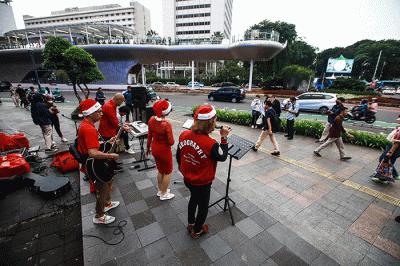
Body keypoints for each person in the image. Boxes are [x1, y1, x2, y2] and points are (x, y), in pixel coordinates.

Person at [176, 105, 230, 238]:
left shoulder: (184, 134)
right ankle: (197, 230)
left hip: (187, 178)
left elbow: (179, 154)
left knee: (193, 199)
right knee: (203, 206)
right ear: (211, 123)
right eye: (215, 119)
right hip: (202, 182)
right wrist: (224, 138)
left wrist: (181, 165)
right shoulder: (211, 144)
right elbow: (222, 156)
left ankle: (190, 223)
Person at [77, 99, 120, 224]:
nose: (102, 114)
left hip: (92, 161)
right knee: (102, 189)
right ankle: (99, 215)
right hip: (93, 164)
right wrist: (111, 155)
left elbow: (92, 145)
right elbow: (93, 153)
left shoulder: (87, 125)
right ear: (90, 113)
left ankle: (107, 204)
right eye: (99, 112)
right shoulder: (89, 129)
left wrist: (107, 143)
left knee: (107, 182)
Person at [146, 100, 175, 200]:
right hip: (164, 150)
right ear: (167, 112)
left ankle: (160, 190)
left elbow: (149, 136)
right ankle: (164, 194)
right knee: (168, 172)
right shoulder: (167, 124)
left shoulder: (151, 120)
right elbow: (171, 142)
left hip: (155, 148)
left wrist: (147, 148)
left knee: (160, 170)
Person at [98, 93, 128, 172]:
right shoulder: (109, 106)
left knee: (112, 148)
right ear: (117, 100)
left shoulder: (111, 105)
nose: (121, 104)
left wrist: (122, 126)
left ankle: (113, 163)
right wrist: (123, 128)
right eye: (121, 101)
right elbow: (114, 121)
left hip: (110, 130)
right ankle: (111, 167)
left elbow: (114, 120)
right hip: (107, 131)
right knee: (109, 149)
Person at [372, 114, 400, 184]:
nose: (397, 119)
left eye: (399, 118)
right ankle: (395, 175)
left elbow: (397, 143)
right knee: (388, 161)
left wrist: (391, 152)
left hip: (394, 148)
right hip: (393, 147)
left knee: (384, 160)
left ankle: (383, 179)